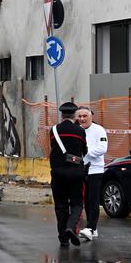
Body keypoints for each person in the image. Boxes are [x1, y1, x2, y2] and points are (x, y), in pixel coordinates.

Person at [50, 102, 88, 248]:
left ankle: (63, 238)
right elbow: (84, 150)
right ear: (74, 115)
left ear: (62, 114)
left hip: (58, 172)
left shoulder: (53, 130)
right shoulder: (80, 131)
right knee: (77, 203)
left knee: (60, 205)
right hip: (75, 173)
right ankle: (71, 227)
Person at [77, 106, 108, 241]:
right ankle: (92, 229)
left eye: (85, 116)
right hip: (80, 169)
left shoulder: (99, 130)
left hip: (95, 169)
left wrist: (86, 155)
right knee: (86, 200)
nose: (82, 119)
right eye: (80, 116)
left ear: (91, 116)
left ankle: (90, 227)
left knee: (93, 200)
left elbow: (102, 148)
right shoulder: (77, 130)